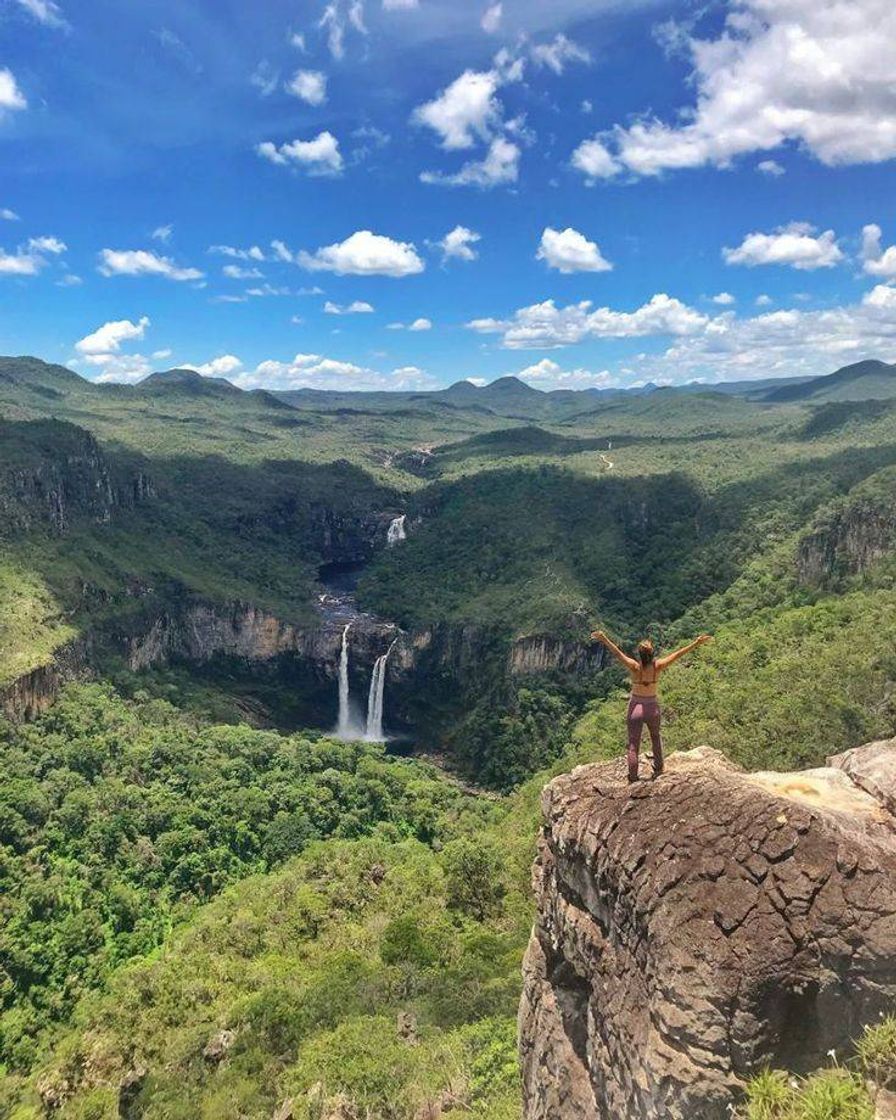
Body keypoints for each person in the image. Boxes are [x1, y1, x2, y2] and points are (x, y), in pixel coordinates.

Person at [590, 630, 712, 783]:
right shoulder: (658, 666)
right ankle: (659, 768)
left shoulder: (634, 666)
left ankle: (633, 777)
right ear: (652, 653)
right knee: (655, 737)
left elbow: (617, 653)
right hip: (652, 708)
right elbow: (678, 654)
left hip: (636, 707)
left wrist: (604, 639)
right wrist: (696, 643)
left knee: (633, 744)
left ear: (639, 654)